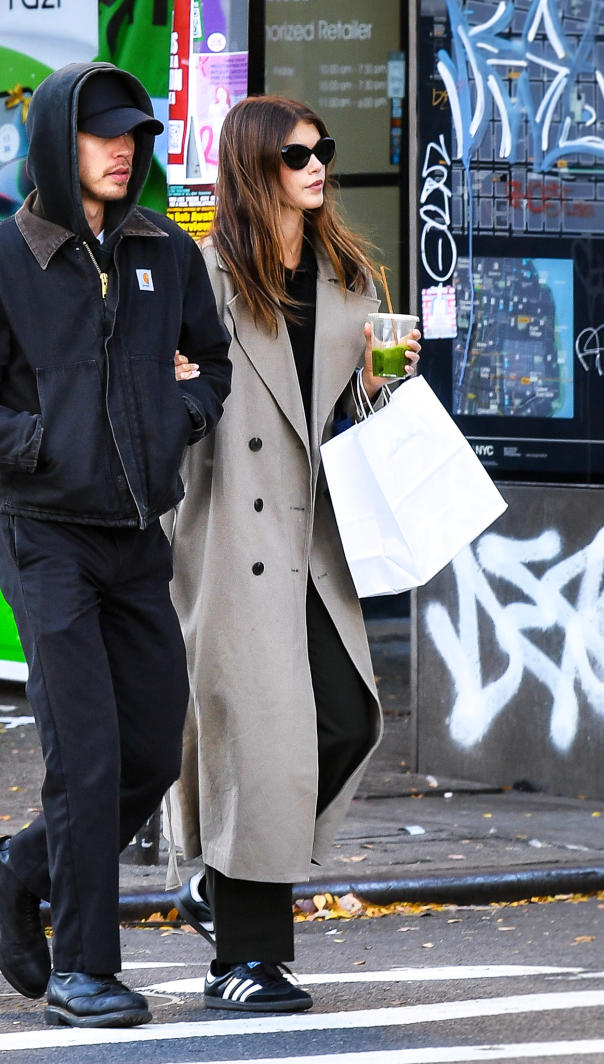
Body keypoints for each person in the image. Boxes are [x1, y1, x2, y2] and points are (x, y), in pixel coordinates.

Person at [0, 62, 231, 1029]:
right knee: (84, 757)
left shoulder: (165, 252)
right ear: (57, 143)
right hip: (46, 538)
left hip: (138, 539)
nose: (123, 148)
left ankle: (17, 867)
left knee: (149, 751)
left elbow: (209, 363)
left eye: (133, 133)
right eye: (102, 134)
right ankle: (84, 969)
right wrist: (41, 440)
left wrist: (184, 410)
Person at [165, 94, 421, 1012]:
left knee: (347, 720)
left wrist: (387, 384)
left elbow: (357, 423)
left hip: (317, 541)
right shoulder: (204, 278)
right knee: (262, 748)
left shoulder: (351, 277)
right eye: (295, 155)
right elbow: (168, 411)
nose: (316, 167)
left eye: (323, 151)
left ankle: (219, 884)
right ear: (253, 168)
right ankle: (247, 959)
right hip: (234, 536)